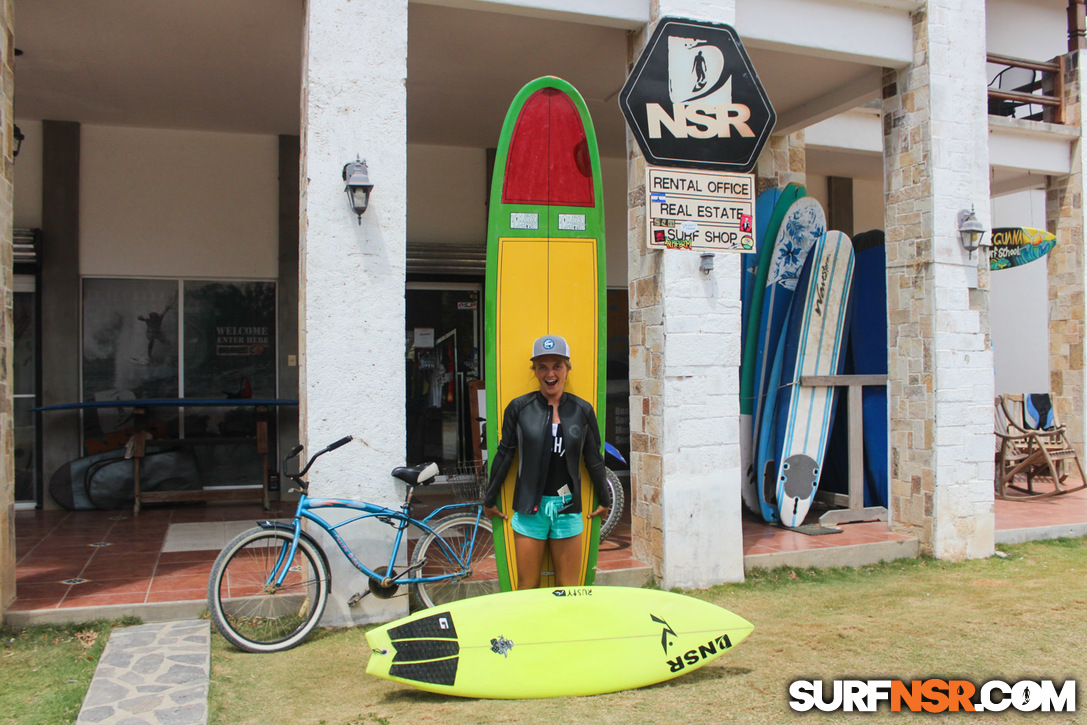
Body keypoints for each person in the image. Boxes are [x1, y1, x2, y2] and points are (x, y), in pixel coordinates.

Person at [482, 334, 610, 589]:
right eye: (542, 367)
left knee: (569, 589)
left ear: (567, 369)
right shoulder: (519, 407)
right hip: (530, 509)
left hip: (567, 508)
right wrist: (489, 498)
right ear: (535, 371)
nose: (550, 373)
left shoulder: (582, 410)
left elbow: (594, 458)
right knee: (527, 587)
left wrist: (605, 499)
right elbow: (505, 453)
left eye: (556, 366)